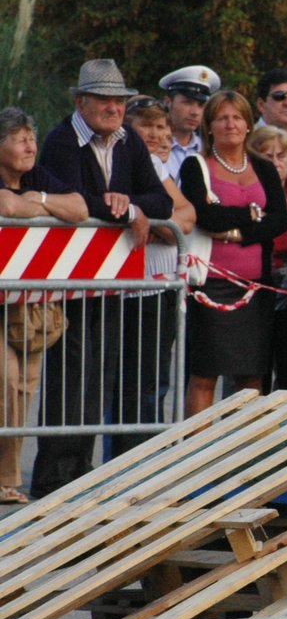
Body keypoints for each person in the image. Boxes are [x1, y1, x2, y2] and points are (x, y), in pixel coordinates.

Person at [36, 59, 173, 498]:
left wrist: (129, 205)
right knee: (71, 372)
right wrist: (121, 207)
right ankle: (55, 475)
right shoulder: (61, 141)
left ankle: (81, 469)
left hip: (112, 275)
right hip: (71, 275)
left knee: (102, 371)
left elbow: (160, 201)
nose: (114, 107)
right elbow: (73, 201)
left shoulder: (129, 140)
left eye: (120, 100)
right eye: (105, 100)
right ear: (81, 101)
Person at [178, 90, 287, 414]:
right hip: (211, 285)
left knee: (252, 375)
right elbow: (206, 216)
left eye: (237, 117)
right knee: (204, 375)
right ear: (209, 126)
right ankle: (196, 456)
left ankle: (247, 455)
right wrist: (254, 214)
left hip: (257, 288)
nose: (231, 124)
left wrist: (234, 231)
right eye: (222, 118)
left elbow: (280, 221)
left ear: (249, 124)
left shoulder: (265, 168)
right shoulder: (196, 166)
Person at [0, 107, 88, 505]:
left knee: (23, 386)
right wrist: (43, 206)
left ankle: (7, 481)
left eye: (31, 138)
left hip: (29, 307)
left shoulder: (36, 177)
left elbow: (80, 210)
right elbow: (10, 208)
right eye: (20, 139)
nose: (30, 146)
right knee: (5, 379)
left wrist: (41, 198)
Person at [121, 96, 197, 448]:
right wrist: (168, 225)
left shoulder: (156, 163)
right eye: (145, 125)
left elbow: (186, 216)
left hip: (162, 284)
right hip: (126, 286)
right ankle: (125, 460)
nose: (154, 133)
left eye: (160, 126)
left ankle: (146, 460)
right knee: (129, 385)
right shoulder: (129, 159)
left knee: (154, 382)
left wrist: (159, 225)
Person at [246, 124, 287, 393]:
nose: (275, 162)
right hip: (255, 291)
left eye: (281, 155)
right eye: (267, 156)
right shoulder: (247, 192)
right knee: (250, 372)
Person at [158, 64, 221, 181]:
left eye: (201, 105)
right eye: (187, 102)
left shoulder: (210, 148)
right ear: (167, 101)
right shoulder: (153, 145)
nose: (195, 112)